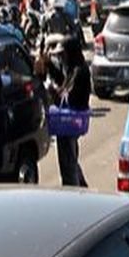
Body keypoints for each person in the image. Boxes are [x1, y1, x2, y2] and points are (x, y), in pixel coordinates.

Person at [42, 35, 90, 187]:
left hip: (70, 122)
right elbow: (61, 79)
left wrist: (53, 91)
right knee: (71, 159)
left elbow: (69, 99)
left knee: (68, 163)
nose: (62, 58)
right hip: (68, 122)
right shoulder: (73, 69)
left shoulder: (80, 72)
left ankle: (74, 193)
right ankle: (81, 187)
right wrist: (48, 64)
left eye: (64, 55)